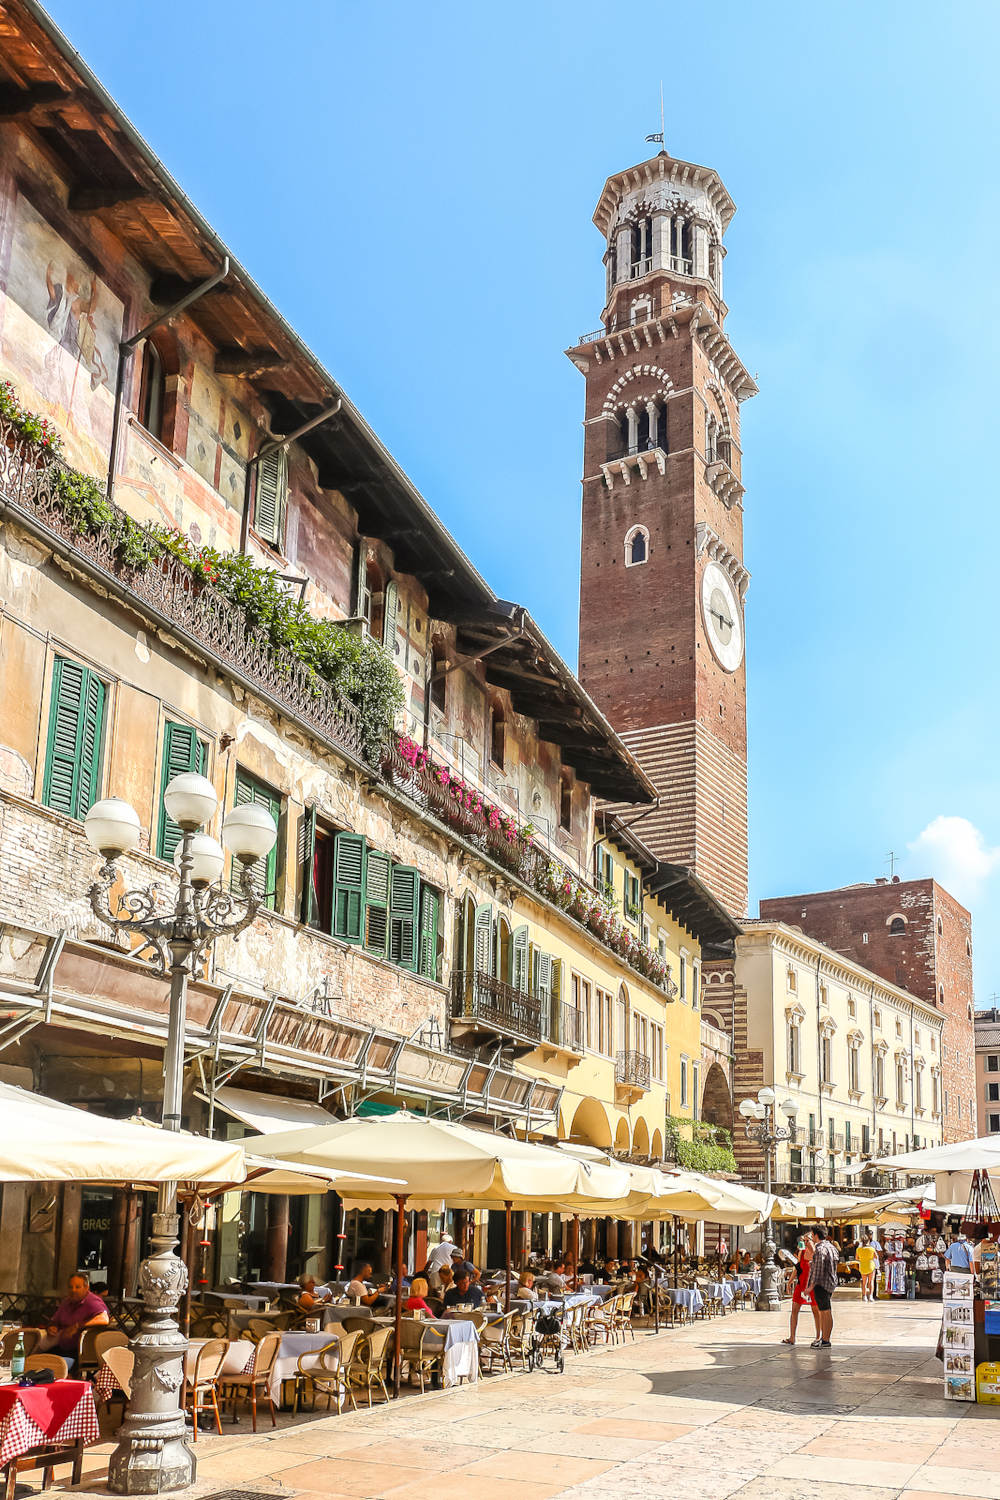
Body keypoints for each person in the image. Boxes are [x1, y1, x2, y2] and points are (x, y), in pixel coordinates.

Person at [35, 1272, 109, 1365]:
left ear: (86, 1288)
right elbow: (55, 1320)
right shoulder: (67, 1301)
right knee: (34, 1358)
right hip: (59, 1346)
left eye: (77, 1287)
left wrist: (78, 1326)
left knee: (48, 1364)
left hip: (79, 1353)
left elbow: (104, 1319)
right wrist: (52, 1327)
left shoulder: (92, 1301)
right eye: (70, 1287)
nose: (73, 1290)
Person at [781, 1234, 820, 1346]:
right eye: (804, 1240)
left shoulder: (817, 1254)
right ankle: (792, 1337)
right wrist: (789, 1282)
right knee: (794, 1310)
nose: (805, 1243)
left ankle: (818, 1337)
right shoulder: (801, 1252)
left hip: (812, 1285)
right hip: (801, 1284)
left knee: (815, 1311)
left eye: (808, 1241)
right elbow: (797, 1268)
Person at [805, 1226, 839, 1348]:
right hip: (830, 1282)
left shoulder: (820, 1249)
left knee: (825, 1312)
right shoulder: (832, 1247)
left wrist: (810, 1286)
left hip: (821, 1284)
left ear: (815, 1235)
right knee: (825, 1311)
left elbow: (818, 1271)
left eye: (812, 1235)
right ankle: (825, 1339)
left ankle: (825, 1340)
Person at [857, 1233, 880, 1303]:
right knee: (871, 1282)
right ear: (868, 1241)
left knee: (864, 1282)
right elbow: (876, 1257)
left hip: (863, 1266)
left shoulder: (858, 1249)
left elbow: (857, 1258)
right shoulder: (872, 1249)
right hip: (871, 1266)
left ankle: (864, 1296)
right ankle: (870, 1296)